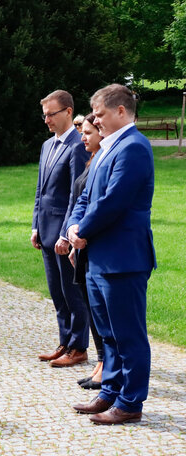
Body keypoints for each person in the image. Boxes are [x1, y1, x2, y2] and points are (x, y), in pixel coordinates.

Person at [68, 84, 155, 425]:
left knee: (128, 335)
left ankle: (130, 402)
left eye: (100, 114)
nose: (95, 121)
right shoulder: (107, 147)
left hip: (123, 259)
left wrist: (82, 231)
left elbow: (113, 202)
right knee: (108, 335)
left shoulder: (134, 147)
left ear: (121, 111)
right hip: (99, 258)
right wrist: (73, 227)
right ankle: (110, 392)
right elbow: (86, 196)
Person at [32, 90, 91, 368]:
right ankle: (64, 342)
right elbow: (40, 190)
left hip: (62, 234)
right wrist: (35, 226)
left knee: (71, 292)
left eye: (51, 114)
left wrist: (64, 233)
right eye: (44, 115)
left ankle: (79, 347)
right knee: (57, 293)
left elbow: (75, 195)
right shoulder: (47, 145)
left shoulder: (78, 146)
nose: (46, 120)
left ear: (68, 112)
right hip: (45, 230)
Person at [63, 114, 105, 389]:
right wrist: (72, 233)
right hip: (82, 243)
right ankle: (102, 362)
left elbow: (101, 205)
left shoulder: (105, 160)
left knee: (100, 310)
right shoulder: (92, 160)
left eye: (88, 132)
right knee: (92, 306)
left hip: (93, 242)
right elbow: (80, 200)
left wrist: (81, 235)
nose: (83, 137)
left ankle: (105, 364)